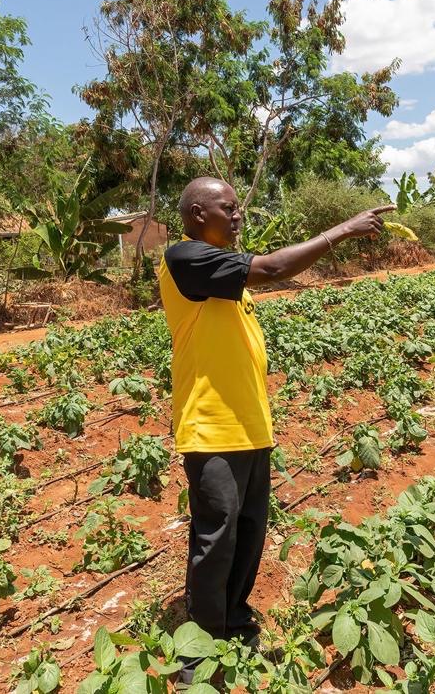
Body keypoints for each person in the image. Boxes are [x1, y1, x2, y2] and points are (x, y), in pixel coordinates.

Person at [158, 176, 392, 658]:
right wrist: (342, 230)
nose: (237, 215)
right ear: (198, 214)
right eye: (228, 208)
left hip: (249, 427)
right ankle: (201, 650)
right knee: (216, 539)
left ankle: (235, 621)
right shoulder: (185, 258)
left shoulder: (221, 272)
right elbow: (273, 267)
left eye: (237, 207)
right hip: (212, 429)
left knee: (247, 534)